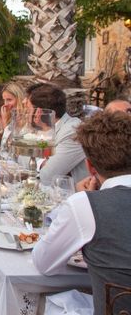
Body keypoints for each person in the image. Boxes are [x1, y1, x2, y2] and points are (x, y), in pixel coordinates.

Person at [32, 111, 131, 314]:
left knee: (45, 301)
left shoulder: (85, 204)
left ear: (89, 166)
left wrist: (78, 201)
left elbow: (43, 263)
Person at [27, 84, 88, 185]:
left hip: (70, 196)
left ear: (38, 112)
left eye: (28, 110)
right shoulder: (45, 128)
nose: (27, 114)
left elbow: (47, 176)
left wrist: (38, 161)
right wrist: (43, 162)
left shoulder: (73, 131)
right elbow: (19, 156)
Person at [0, 82, 27, 151]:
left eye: (9, 100)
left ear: (20, 99)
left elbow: (8, 149)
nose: (5, 104)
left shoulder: (28, 119)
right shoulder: (12, 117)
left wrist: (5, 123)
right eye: (4, 100)